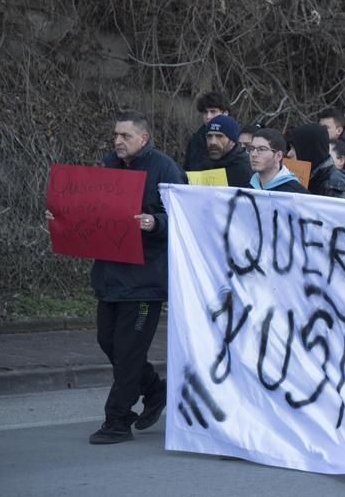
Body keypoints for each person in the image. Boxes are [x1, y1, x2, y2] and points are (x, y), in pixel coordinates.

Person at [47, 112, 186, 444]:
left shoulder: (165, 169)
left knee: (128, 351)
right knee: (107, 342)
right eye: (115, 136)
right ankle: (155, 389)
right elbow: (91, 210)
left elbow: (184, 215)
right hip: (109, 276)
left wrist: (156, 223)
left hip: (145, 281)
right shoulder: (108, 166)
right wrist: (61, 214)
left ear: (144, 138)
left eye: (125, 135)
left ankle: (118, 420)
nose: (118, 141)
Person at [288, 123, 345, 200]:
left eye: (294, 148)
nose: (289, 153)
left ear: (308, 149)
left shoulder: (334, 185)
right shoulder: (308, 177)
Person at [201, 114, 252, 189]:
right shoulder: (203, 164)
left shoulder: (245, 169)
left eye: (219, 136)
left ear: (232, 141)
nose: (212, 142)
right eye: (209, 136)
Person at [249, 129, 308, 193]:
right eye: (252, 149)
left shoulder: (296, 194)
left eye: (262, 149)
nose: (253, 154)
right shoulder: (246, 187)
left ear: (278, 156)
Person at [183, 90, 230, 171]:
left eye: (213, 112)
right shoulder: (195, 140)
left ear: (225, 113)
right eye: (205, 112)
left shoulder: (235, 139)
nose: (208, 116)